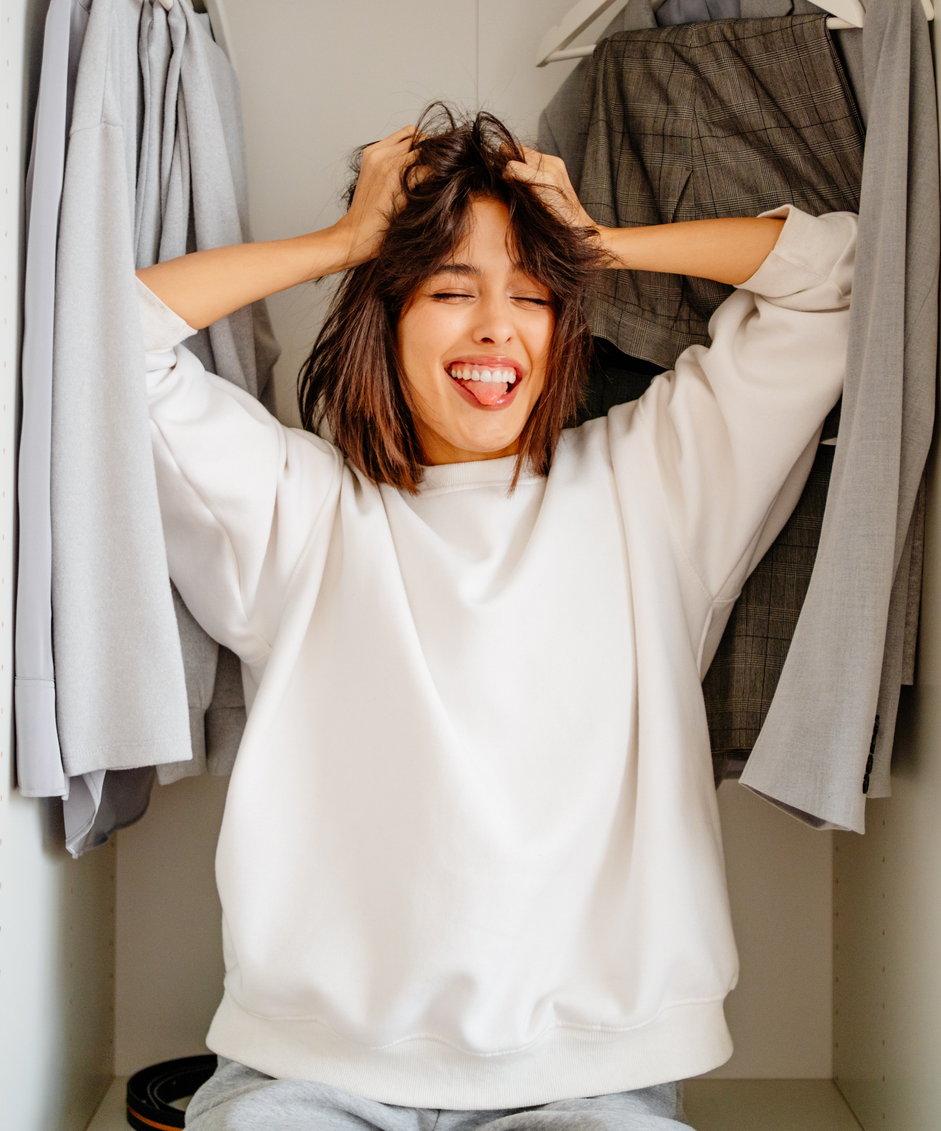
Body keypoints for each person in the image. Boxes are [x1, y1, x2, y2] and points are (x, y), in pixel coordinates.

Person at [135, 107, 859, 1130]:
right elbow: (107, 343)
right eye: (449, 289)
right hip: (310, 1077)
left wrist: (599, 245)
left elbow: (837, 278)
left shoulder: (652, 487)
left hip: (587, 1085)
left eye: (532, 293)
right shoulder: (302, 514)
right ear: (383, 312)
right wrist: (340, 244)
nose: (494, 327)